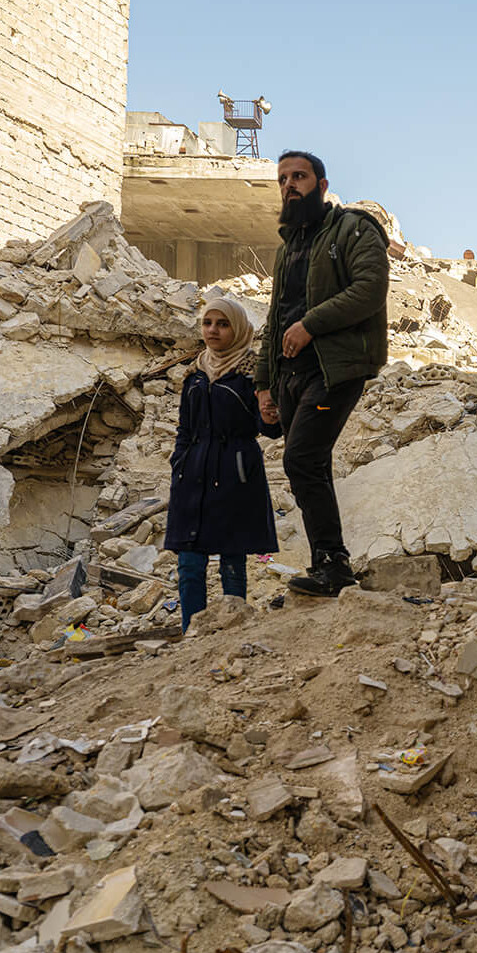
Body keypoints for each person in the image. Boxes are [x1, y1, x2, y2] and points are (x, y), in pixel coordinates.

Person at [255, 150, 389, 597]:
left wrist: (311, 325)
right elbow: (275, 320)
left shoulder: (353, 229)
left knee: (301, 459)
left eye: (300, 176)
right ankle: (325, 564)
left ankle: (334, 565)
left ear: (323, 185)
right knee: (306, 465)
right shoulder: (287, 249)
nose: (290, 185)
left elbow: (369, 290)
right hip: (290, 376)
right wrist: (263, 384)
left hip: (335, 369)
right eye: (283, 178)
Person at [165, 297, 281, 631]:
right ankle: (192, 632)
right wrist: (179, 462)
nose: (213, 330)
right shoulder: (195, 373)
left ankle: (233, 629)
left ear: (239, 329)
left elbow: (270, 429)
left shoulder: (252, 374)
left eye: (223, 324)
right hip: (193, 473)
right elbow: (184, 428)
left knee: (233, 558)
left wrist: (271, 413)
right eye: (208, 323)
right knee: (189, 560)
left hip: (235, 474)